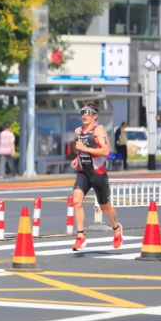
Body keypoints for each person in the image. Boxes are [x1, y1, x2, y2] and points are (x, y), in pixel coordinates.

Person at [70, 101, 123, 251]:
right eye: (82, 112)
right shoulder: (78, 131)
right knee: (76, 201)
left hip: (98, 174)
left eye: (88, 113)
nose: (84, 116)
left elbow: (106, 152)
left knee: (105, 208)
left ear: (95, 116)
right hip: (83, 173)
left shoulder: (98, 131)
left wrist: (85, 148)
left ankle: (117, 228)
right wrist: (77, 158)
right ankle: (80, 236)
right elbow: (81, 149)